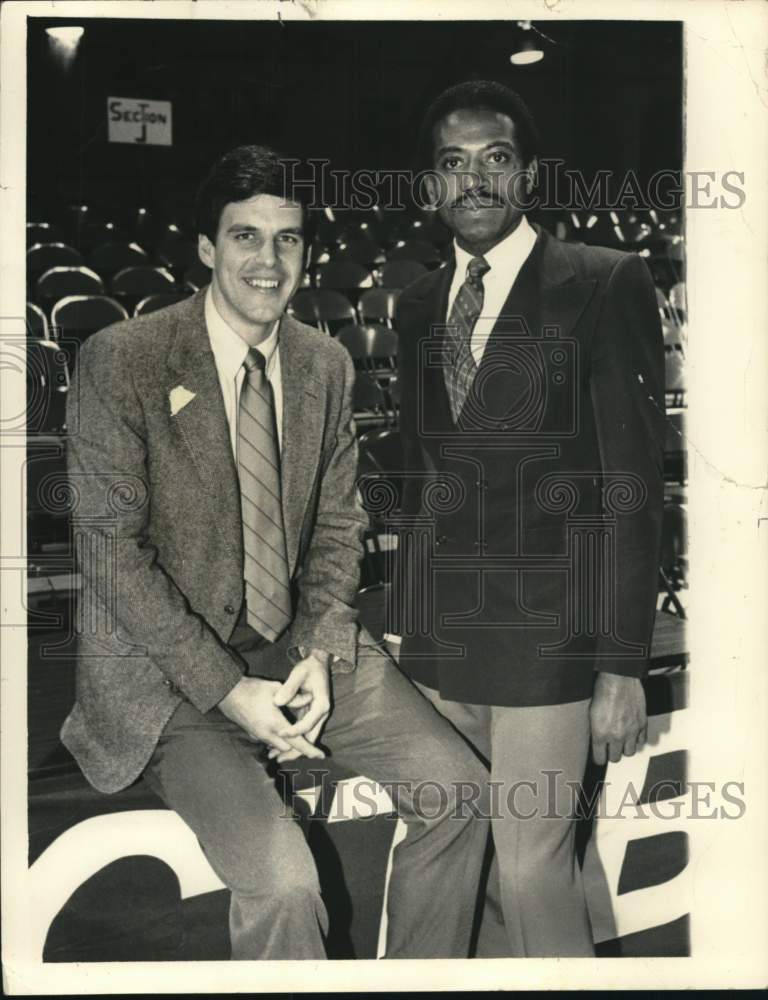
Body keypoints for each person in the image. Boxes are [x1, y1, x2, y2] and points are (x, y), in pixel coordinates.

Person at [60, 144, 490, 960]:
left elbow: (338, 525)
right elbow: (110, 555)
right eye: (246, 236)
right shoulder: (124, 360)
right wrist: (228, 690)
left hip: (295, 643)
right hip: (169, 677)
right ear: (206, 249)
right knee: (287, 882)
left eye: (287, 238)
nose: (269, 259)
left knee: (462, 793)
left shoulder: (324, 364)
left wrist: (325, 650)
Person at [385, 81, 666, 957]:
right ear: (431, 187)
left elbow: (632, 480)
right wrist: (403, 623)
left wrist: (623, 666)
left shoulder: (605, 280)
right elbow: (425, 473)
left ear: (528, 176)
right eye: (452, 164)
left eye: (494, 159)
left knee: (530, 866)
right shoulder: (420, 303)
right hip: (443, 642)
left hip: (553, 638)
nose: (474, 180)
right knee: (450, 852)